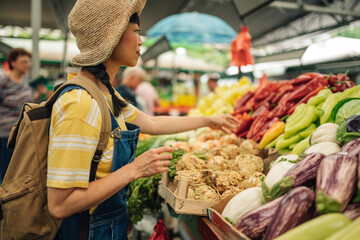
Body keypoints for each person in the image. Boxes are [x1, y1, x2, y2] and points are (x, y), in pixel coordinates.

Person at [47, 1, 240, 239]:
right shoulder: (81, 104)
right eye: (136, 32)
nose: (141, 41)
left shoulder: (105, 93)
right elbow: (60, 204)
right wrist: (134, 170)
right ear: (112, 37)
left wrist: (208, 120)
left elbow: (153, 124)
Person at [0, 48, 34, 183]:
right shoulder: (3, 80)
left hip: (21, 133)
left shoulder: (26, 80)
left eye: (29, 62)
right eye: (24, 62)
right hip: (5, 133)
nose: (28, 64)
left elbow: (26, 103)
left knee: (17, 170)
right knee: (5, 170)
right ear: (13, 62)